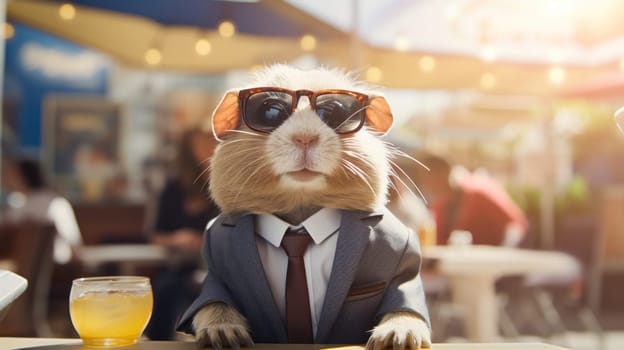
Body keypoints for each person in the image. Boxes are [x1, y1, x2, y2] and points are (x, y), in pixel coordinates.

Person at [145, 128, 221, 340]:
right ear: (188, 151)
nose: (209, 148)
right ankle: (157, 343)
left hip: (219, 269)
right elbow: (155, 235)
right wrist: (178, 238)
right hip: (180, 267)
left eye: (212, 142)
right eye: (201, 144)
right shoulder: (174, 187)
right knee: (167, 286)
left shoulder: (228, 186)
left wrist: (205, 242)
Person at [417, 154, 528, 247]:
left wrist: (505, 253)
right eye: (424, 178)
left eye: (431, 176)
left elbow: (516, 225)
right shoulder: (439, 206)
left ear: (446, 170)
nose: (427, 183)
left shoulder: (480, 191)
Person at [1, 156, 82, 265]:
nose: (4, 177)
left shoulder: (53, 203)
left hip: (52, 267)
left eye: (9, 173)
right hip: (25, 265)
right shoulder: (18, 202)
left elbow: (73, 242)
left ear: (23, 175)